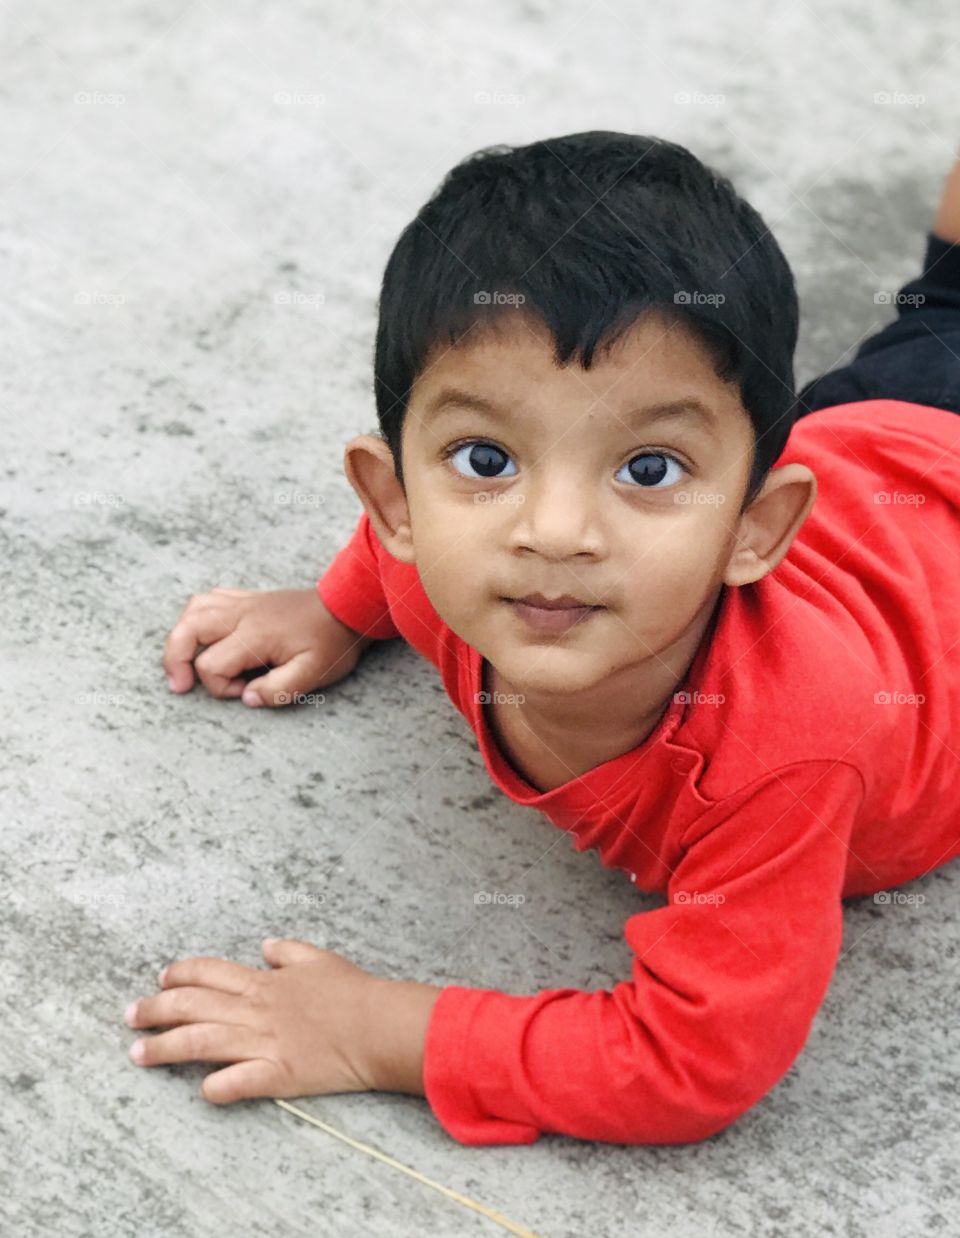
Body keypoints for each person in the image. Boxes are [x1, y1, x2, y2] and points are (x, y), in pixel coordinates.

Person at [125, 132, 960, 1147]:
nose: (554, 532)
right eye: (487, 456)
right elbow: (396, 556)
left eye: (648, 469)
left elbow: (689, 1063)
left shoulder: (785, 748)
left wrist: (376, 1029)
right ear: (396, 500)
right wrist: (336, 609)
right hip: (887, 431)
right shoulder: (446, 566)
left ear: (755, 526)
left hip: (897, 460)